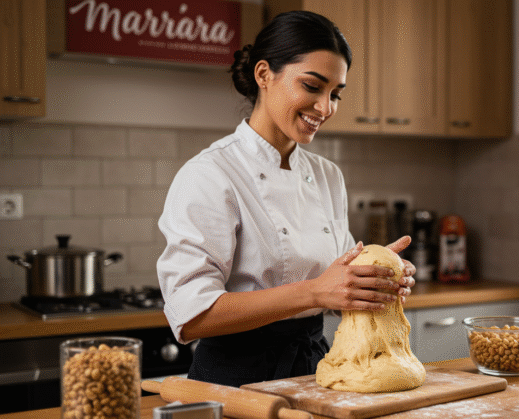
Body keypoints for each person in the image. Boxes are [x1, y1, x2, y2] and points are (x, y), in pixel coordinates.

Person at [156, 10, 416, 387]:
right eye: (312, 86)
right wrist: (314, 292)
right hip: (235, 380)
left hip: (314, 370)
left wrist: (373, 280)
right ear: (264, 74)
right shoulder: (210, 174)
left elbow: (335, 285)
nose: (325, 108)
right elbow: (192, 317)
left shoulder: (327, 175)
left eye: (335, 94)